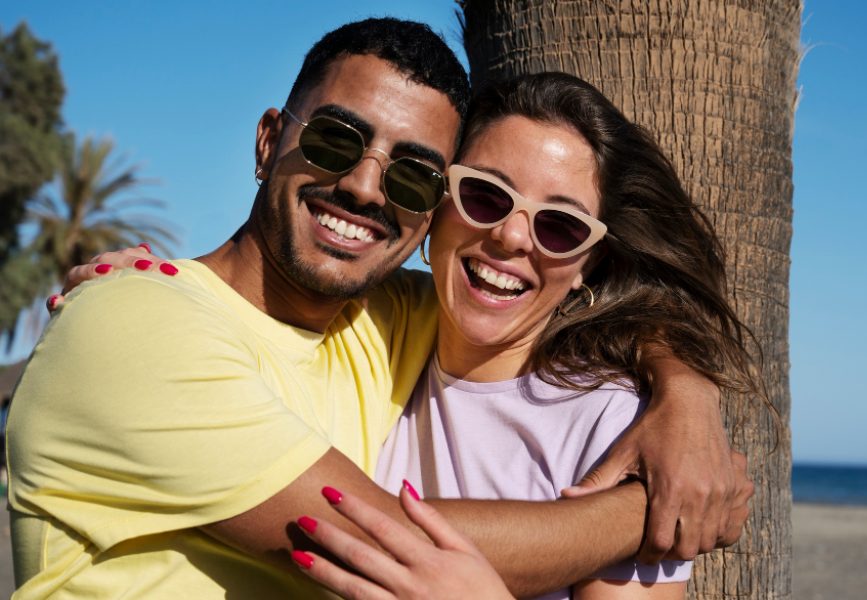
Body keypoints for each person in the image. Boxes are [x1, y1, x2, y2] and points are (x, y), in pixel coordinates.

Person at [8, 18, 749, 598]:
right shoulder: (136, 325)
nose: (365, 188)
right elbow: (378, 542)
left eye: (413, 174)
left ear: (428, 211)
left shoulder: (391, 317)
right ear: (269, 141)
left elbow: (550, 298)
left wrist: (687, 392)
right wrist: (645, 508)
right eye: (336, 140)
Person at [286, 72, 760, 599]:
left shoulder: (616, 427)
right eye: (485, 196)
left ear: (588, 261)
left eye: (560, 226)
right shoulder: (368, 324)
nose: (512, 237)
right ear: (439, 201)